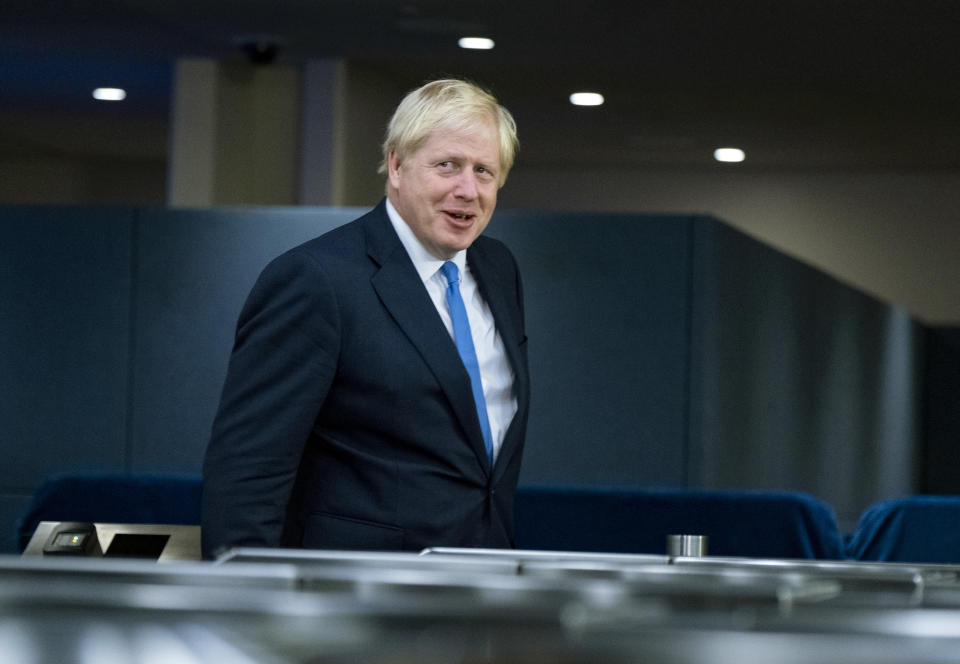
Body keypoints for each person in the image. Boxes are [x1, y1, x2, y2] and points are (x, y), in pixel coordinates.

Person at [201, 79, 530, 559]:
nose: (467, 189)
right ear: (396, 165)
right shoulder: (315, 280)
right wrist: (248, 607)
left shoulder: (499, 270)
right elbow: (249, 469)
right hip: (353, 598)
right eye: (447, 166)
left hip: (482, 584)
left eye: (484, 171)